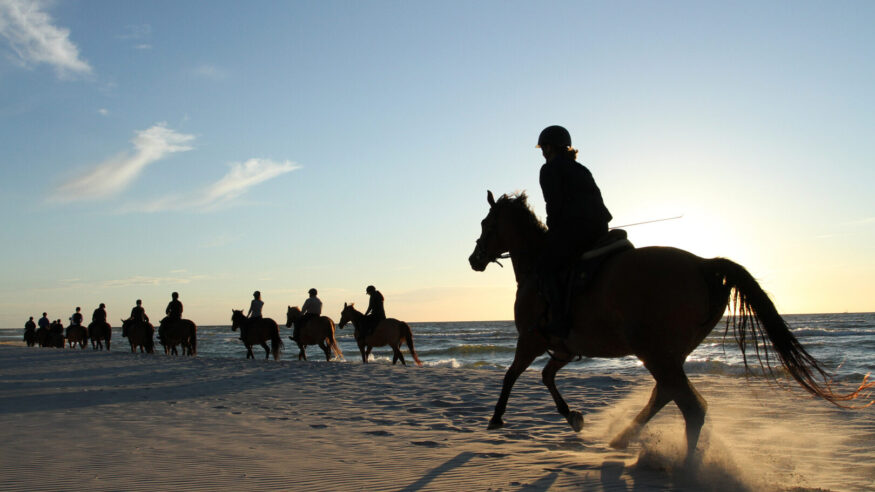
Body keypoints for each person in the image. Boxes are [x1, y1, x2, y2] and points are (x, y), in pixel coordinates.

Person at [536, 125, 612, 339]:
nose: (542, 152)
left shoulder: (550, 169)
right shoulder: (581, 168)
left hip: (574, 230)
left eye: (544, 147)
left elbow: (554, 204)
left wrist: (552, 232)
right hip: (600, 229)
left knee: (544, 267)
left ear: (551, 147)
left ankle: (559, 320)